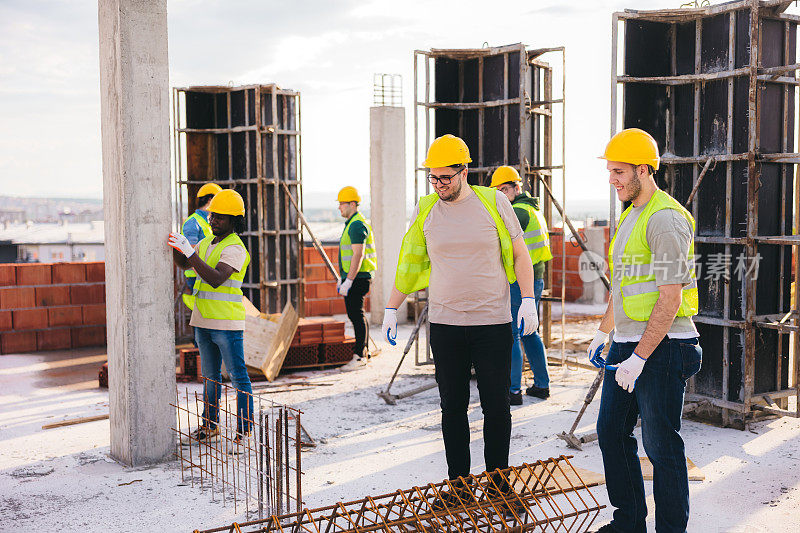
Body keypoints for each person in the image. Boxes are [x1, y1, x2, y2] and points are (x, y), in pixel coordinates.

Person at [381, 134, 538, 504]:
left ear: (464, 171)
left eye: (445, 179)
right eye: (432, 179)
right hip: (447, 325)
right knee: (452, 408)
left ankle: (499, 485)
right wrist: (391, 307)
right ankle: (459, 487)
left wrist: (528, 299)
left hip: (492, 323)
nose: (438, 185)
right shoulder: (426, 208)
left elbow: (519, 254)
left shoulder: (493, 201)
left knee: (496, 406)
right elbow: (410, 262)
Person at [587, 128, 702, 533]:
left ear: (642, 169)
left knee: (660, 445)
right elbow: (625, 286)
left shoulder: (665, 219)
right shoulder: (631, 214)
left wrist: (639, 357)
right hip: (627, 343)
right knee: (611, 432)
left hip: (665, 345)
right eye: (610, 172)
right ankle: (629, 523)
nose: (613, 179)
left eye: (619, 171)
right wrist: (605, 334)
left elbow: (670, 297)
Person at [169, 189, 254, 445]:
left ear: (233, 221)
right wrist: (179, 247)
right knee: (209, 377)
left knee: (238, 377)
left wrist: (190, 253)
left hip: (226, 325)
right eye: (213, 216)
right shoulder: (207, 243)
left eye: (220, 218)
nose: (213, 220)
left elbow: (217, 278)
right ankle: (210, 425)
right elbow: (186, 264)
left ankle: (245, 431)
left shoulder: (235, 248)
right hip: (203, 322)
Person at [490, 166, 552, 404]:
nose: (502, 195)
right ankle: (541, 385)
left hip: (520, 281)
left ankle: (513, 391)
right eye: (498, 191)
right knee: (528, 332)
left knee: (513, 334)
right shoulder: (532, 209)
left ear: (517, 187)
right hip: (534, 278)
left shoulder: (517, 212)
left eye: (505, 189)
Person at [335, 186, 377, 361]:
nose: (339, 208)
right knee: (355, 315)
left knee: (356, 315)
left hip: (358, 278)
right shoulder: (353, 223)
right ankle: (362, 352)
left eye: (342, 204)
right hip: (354, 277)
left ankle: (360, 355)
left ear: (352, 204)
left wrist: (349, 281)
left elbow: (358, 254)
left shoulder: (356, 225)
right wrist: (343, 278)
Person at [181, 182, 222, 310]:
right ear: (210, 200)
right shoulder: (193, 223)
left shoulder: (208, 222)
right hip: (197, 279)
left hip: (207, 276)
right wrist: (206, 276)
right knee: (201, 318)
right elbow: (190, 253)